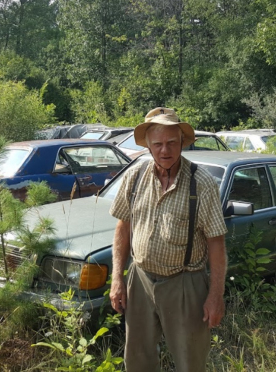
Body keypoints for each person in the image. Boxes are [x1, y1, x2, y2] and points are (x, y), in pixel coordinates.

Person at [109, 107, 228, 372]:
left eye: (172, 143)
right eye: (158, 144)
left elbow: (216, 244)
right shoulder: (135, 176)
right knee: (137, 360)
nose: (165, 150)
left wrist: (215, 296)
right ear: (148, 145)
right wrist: (117, 278)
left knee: (190, 361)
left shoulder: (202, 183)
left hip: (185, 283)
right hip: (139, 281)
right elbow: (122, 228)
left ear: (183, 142)